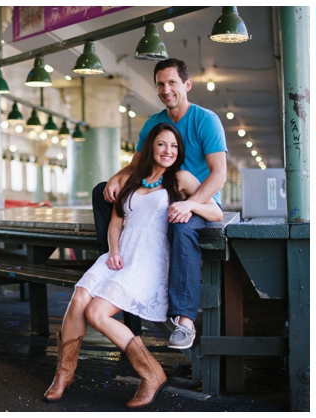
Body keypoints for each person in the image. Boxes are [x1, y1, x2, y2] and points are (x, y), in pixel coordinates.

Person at [45, 123, 223, 408]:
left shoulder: (181, 178)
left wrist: (190, 206)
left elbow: (215, 212)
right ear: (151, 146)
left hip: (148, 261)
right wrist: (113, 250)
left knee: (97, 313)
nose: (168, 151)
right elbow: (116, 223)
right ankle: (64, 374)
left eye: (174, 146)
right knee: (79, 298)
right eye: (162, 144)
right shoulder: (135, 179)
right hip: (120, 256)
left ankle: (151, 373)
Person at [93, 57, 227, 350]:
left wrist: (190, 204)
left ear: (187, 85)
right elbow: (135, 167)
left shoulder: (205, 120)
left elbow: (219, 174)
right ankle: (111, 258)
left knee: (182, 227)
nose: (166, 90)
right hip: (159, 193)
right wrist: (116, 179)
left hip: (196, 197)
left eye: (172, 83)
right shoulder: (154, 123)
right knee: (101, 191)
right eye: (161, 84)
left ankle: (185, 321)